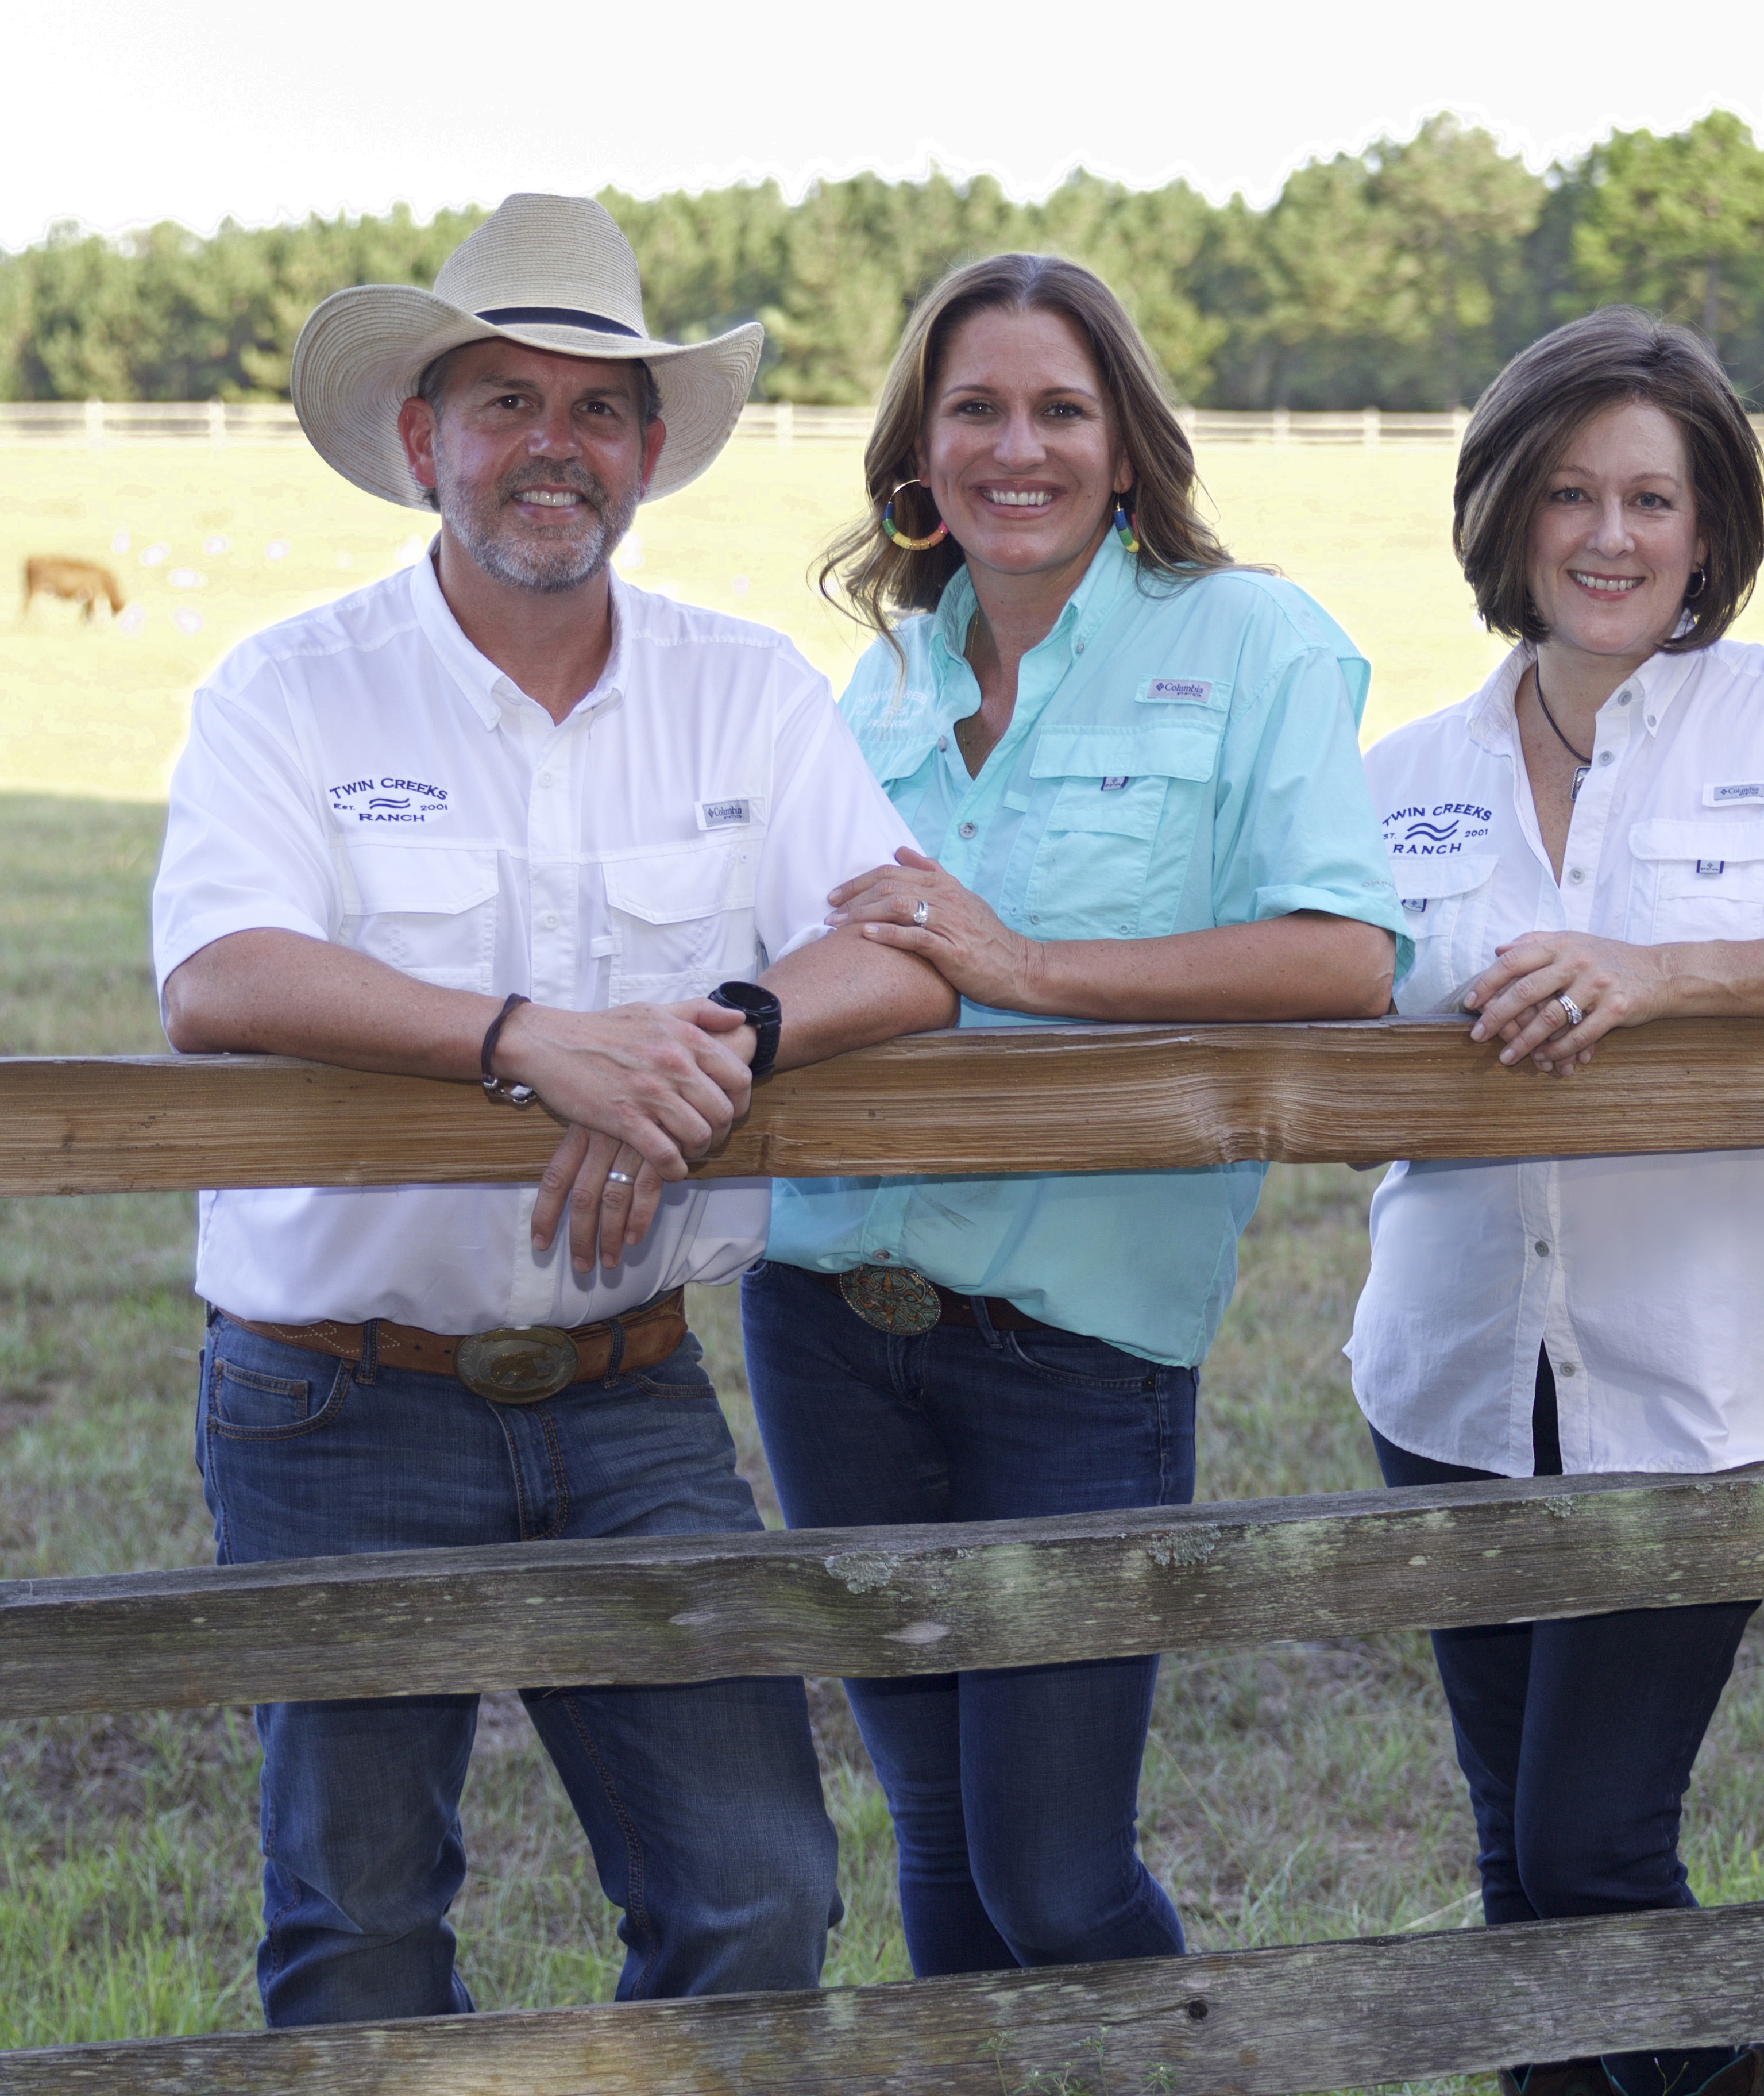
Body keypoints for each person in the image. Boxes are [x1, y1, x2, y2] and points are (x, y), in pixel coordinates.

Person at [151, 194, 958, 2026]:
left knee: (757, 1890)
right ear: (421, 440)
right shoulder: (289, 689)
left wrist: (717, 1037)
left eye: (596, 409)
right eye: (502, 402)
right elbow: (222, 975)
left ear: (651, 455)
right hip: (334, 1388)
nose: (552, 446)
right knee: (358, 1921)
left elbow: (907, 947)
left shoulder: (739, 691)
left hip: (630, 1382)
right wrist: (530, 1042)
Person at [1349, 307, 1764, 2096]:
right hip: (1454, 1376)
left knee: (1593, 1851)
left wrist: (1672, 977)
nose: (1611, 536)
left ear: (1709, 525)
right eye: (1569, 492)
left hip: (1707, 1393)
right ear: (1506, 515)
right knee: (1514, 1858)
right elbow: (1320, 1025)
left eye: (1653, 495)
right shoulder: (1400, 773)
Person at [738, 253, 1404, 1979]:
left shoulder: (1248, 638)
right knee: (943, 1854)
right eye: (975, 409)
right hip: (826, 1319)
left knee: (1055, 1875)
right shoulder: (877, 685)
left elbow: (1342, 956)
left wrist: (1029, 968)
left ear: (1126, 445)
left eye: (1058, 409)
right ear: (917, 449)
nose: (1014, 447)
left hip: (1076, 1339)